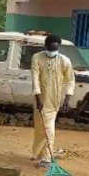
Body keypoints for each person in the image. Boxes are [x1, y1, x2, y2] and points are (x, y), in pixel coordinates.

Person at [32, 34, 75, 168]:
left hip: (54, 100)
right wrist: (38, 97)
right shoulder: (37, 57)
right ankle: (38, 153)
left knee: (49, 129)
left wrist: (67, 99)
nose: (52, 52)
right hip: (39, 100)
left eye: (55, 49)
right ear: (45, 46)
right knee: (40, 128)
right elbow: (35, 78)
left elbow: (70, 80)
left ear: (59, 48)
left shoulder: (65, 61)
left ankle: (46, 158)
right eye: (50, 49)